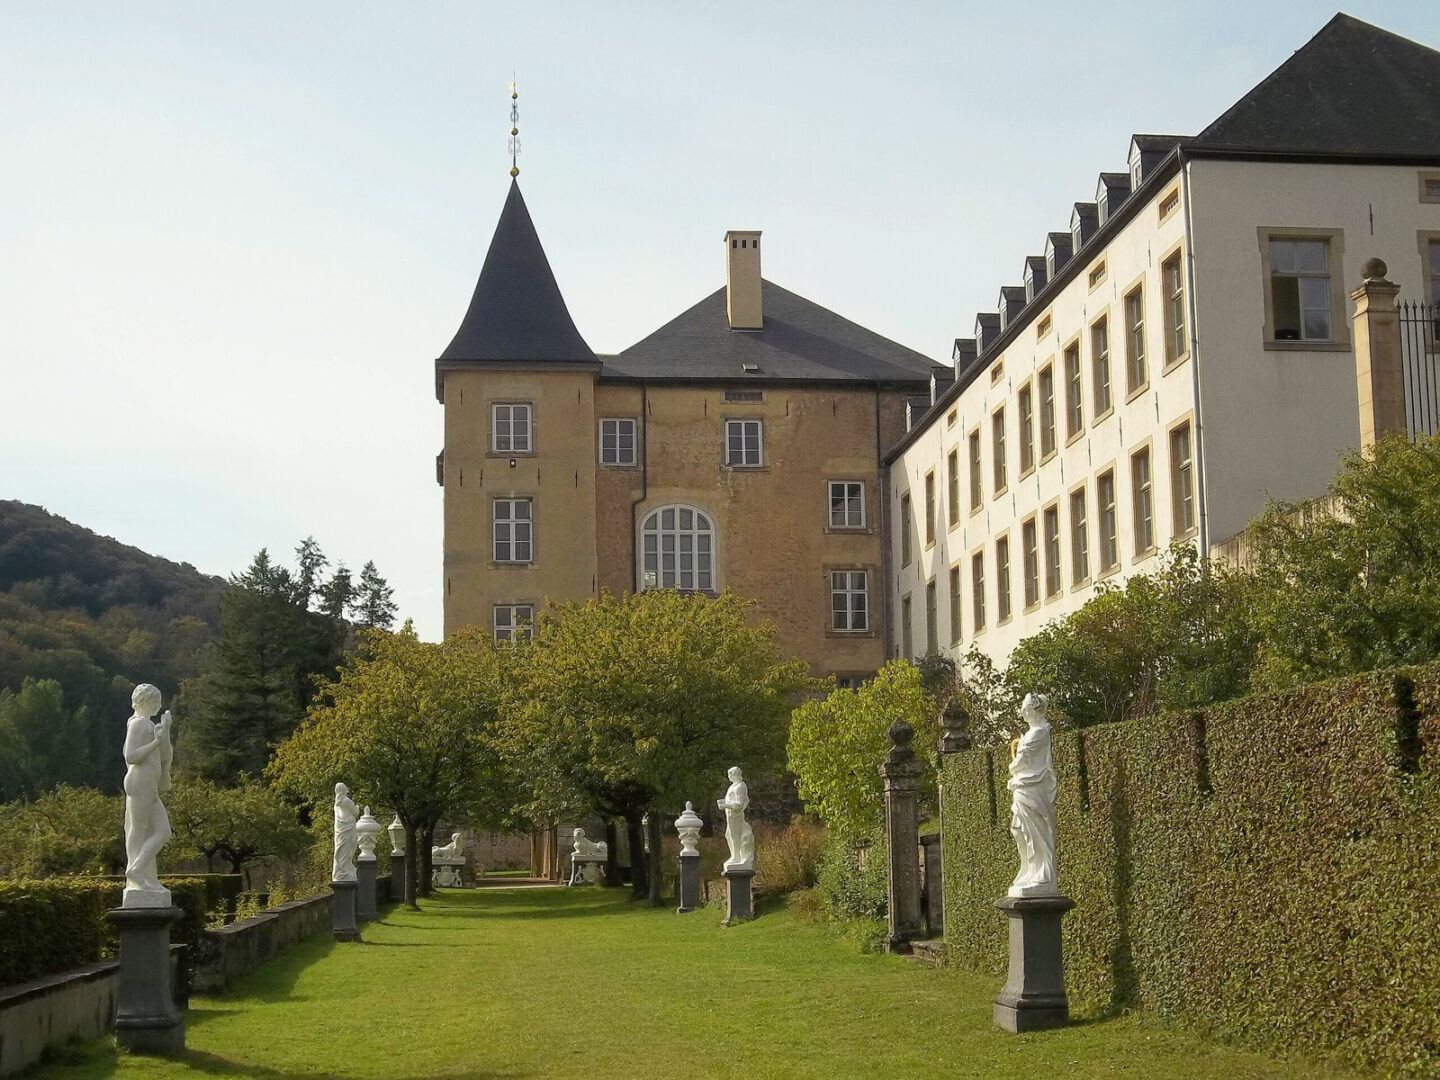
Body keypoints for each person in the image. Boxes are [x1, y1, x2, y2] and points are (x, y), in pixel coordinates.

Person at [123, 683, 173, 903]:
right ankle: (137, 876)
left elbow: (165, 755)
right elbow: (131, 756)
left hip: (150, 785)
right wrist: (155, 741)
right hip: (139, 783)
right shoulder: (137, 724)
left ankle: (139, 871)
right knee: (138, 830)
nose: (159, 705)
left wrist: (165, 731)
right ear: (146, 701)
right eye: (156, 701)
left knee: (162, 831)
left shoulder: (149, 724)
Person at [1008, 693, 1058, 896]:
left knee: (1036, 832)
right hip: (1023, 789)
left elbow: (1020, 762)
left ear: (1035, 710)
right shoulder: (1031, 733)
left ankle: (1042, 876)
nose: (1023, 712)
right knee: (1019, 830)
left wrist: (1012, 768)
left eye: (1026, 708)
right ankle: (1030, 870)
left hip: (1033, 789)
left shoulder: (1038, 733)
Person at [717, 766, 755, 871]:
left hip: (735, 815)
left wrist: (725, 805)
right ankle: (734, 855)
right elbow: (746, 800)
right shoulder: (733, 786)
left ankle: (736, 857)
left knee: (735, 835)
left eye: (730, 774)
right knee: (729, 835)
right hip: (730, 815)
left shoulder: (740, 786)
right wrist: (725, 803)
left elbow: (740, 804)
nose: (729, 776)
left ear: (736, 774)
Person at [333, 783, 359, 881]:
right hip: (347, 828)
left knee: (341, 849)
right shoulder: (346, 801)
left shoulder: (337, 804)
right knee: (347, 848)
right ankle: (344, 870)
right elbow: (355, 812)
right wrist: (357, 807)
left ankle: (341, 870)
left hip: (340, 830)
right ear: (344, 789)